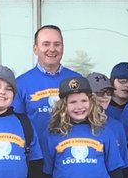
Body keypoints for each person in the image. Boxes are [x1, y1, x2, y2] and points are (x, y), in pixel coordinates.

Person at [14, 25, 83, 157]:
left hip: (72, 157)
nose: (52, 49)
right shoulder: (21, 83)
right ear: (35, 49)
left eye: (57, 44)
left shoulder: (77, 80)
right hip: (36, 159)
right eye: (46, 44)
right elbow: (16, 125)